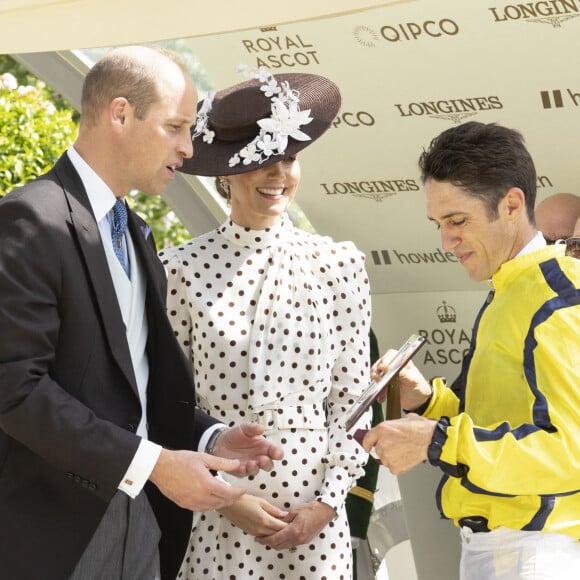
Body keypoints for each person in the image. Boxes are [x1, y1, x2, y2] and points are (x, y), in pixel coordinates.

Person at [0, 46, 283, 580]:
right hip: (55, 532)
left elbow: (133, 385)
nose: (188, 148)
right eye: (176, 127)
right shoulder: (28, 218)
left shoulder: (135, 233)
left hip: (143, 520)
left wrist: (207, 437)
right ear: (121, 114)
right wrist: (153, 464)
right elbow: (14, 388)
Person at [160, 66, 372, 579]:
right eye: (261, 162)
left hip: (317, 525)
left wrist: (327, 502)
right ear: (226, 175)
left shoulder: (339, 263)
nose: (278, 174)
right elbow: (166, 402)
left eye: (289, 158)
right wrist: (225, 499)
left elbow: (354, 398)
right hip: (217, 513)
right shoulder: (180, 269)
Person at [361, 121, 580, 580]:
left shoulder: (558, 297)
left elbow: (571, 453)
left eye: (458, 221)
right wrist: (425, 399)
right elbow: (501, 420)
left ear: (512, 205)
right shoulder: (512, 287)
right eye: (439, 224)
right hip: (501, 548)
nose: (445, 241)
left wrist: (437, 440)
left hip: (537, 553)